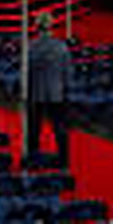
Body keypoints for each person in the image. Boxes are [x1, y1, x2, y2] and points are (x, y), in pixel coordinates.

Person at [28, 12, 74, 168]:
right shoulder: (61, 47)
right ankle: (64, 160)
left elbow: (27, 72)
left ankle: (33, 157)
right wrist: (67, 90)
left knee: (34, 128)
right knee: (60, 128)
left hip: (36, 92)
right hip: (57, 92)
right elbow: (67, 72)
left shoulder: (31, 47)